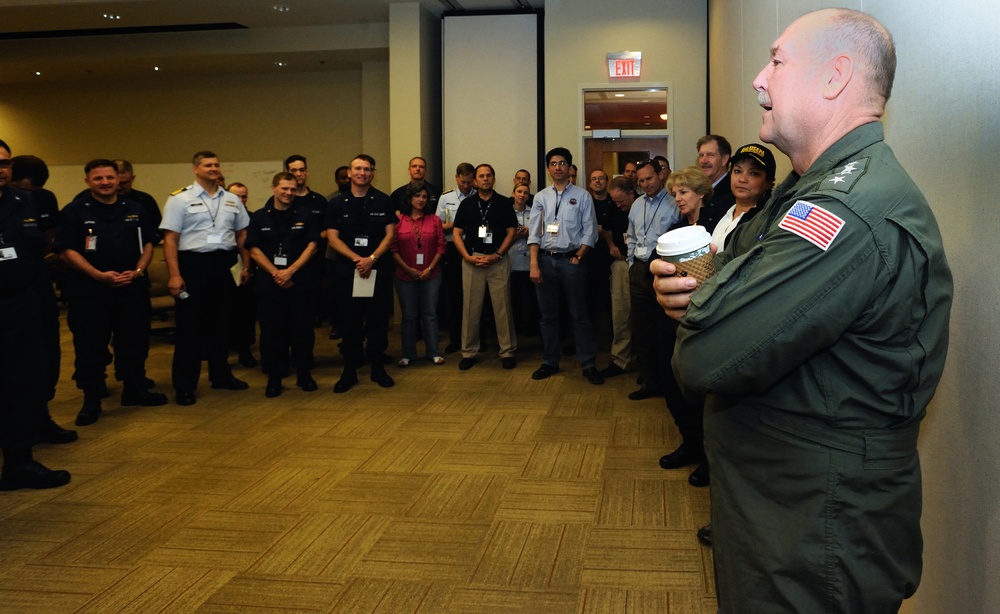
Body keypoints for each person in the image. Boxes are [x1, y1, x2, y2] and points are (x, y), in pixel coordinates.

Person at [652, 9, 952, 612]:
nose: (760, 79)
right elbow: (729, 265)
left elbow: (705, 355)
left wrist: (702, 311)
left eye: (778, 61)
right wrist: (704, 296)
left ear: (835, 76)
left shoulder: (847, 211)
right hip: (785, 509)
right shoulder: (805, 188)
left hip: (816, 530)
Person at [54, 159, 168, 425]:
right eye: (98, 179)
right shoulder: (74, 211)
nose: (105, 183)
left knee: (135, 342)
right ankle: (91, 400)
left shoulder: (135, 208)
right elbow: (65, 250)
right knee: (90, 347)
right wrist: (97, 275)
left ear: (119, 179)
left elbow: (149, 243)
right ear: (87, 182)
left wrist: (139, 271)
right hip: (90, 291)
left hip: (131, 288)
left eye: (109, 177)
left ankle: (134, 389)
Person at [0, 139, 72, 491]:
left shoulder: (23, 200)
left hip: (21, 302)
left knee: (23, 380)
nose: (0, 169)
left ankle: (18, 461)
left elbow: (38, 246)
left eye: (4, 163)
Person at [159, 151, 252, 406]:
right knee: (190, 328)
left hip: (225, 265)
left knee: (222, 324)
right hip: (193, 266)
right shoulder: (180, 199)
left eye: (216, 165)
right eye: (208, 165)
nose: (214, 168)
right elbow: (170, 239)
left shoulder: (232, 199)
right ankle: (185, 386)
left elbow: (242, 234)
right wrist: (175, 275)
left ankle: (221, 375)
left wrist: (245, 266)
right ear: (195, 169)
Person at [656, 166, 716, 487]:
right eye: (674, 194)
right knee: (671, 383)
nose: (678, 198)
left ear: (701, 193)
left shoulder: (715, 226)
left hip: (701, 323)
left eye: (683, 192)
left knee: (697, 392)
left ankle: (708, 458)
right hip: (671, 320)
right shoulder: (679, 227)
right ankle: (690, 443)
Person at [527, 148, 603, 385]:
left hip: (572, 262)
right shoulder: (540, 197)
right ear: (548, 168)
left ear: (570, 168)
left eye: (562, 163)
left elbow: (590, 231)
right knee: (548, 316)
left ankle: (588, 364)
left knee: (579, 315)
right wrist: (534, 264)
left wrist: (579, 257)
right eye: (553, 163)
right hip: (545, 261)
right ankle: (550, 361)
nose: (558, 167)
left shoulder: (582, 196)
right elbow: (534, 233)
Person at [245, 172, 322, 398]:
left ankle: (303, 373)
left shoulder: (306, 215)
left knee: (303, 330)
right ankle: (274, 377)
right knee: (271, 332)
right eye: (284, 189)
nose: (289, 193)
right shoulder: (260, 217)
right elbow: (254, 249)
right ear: (274, 189)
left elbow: (313, 245)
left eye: (293, 189)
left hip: (300, 282)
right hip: (270, 284)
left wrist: (290, 271)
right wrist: (276, 273)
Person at [326, 154, 396, 392]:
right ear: (349, 172)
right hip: (348, 271)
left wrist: (372, 259)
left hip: (377, 270)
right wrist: (357, 259)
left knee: (377, 321)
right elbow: (332, 238)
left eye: (367, 169)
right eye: (358, 168)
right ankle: (349, 371)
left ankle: (378, 367)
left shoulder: (383, 201)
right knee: (349, 323)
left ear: (372, 173)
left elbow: (390, 234)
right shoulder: (336, 203)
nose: (362, 173)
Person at [452, 163, 517, 371]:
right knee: (471, 308)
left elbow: (511, 231)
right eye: (481, 176)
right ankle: (469, 352)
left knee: (503, 308)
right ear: (475, 180)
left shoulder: (504, 203)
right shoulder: (467, 204)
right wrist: (467, 257)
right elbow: (456, 233)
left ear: (494, 178)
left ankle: (507, 351)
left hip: (497, 260)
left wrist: (498, 254)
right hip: (473, 260)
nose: (485, 179)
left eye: (489, 175)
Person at [627, 158, 680, 400]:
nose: (646, 184)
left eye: (649, 178)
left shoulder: (674, 201)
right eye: (641, 181)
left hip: (664, 271)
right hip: (639, 270)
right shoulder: (637, 204)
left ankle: (669, 381)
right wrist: (631, 265)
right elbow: (631, 236)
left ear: (660, 175)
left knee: (664, 329)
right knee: (642, 328)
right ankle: (649, 381)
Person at [391, 182, 446, 366]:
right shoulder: (399, 221)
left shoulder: (435, 220)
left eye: (424, 196)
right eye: (417, 196)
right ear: (409, 199)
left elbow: (441, 247)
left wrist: (429, 268)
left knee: (430, 313)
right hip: (404, 275)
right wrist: (408, 269)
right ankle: (408, 354)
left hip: (432, 274)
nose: (421, 200)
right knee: (409, 316)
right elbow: (393, 249)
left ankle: (434, 352)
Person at [435, 162, 476, 353]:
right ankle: (455, 340)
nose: (466, 186)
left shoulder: (479, 196)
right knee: (455, 296)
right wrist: (458, 225)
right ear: (457, 178)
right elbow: (438, 226)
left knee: (475, 295)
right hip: (452, 248)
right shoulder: (446, 198)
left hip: (474, 246)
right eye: (463, 182)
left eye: (469, 182)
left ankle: (477, 339)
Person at [597, 176, 635, 379]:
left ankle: (645, 361)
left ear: (632, 193)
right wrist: (612, 247)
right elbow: (607, 229)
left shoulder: (642, 206)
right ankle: (621, 359)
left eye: (622, 201)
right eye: (615, 201)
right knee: (620, 313)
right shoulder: (613, 207)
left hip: (642, 265)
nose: (619, 205)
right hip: (620, 265)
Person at [710, 143, 776, 250]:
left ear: (768, 182)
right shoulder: (720, 211)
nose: (742, 179)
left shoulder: (766, 222)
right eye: (737, 171)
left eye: (753, 173)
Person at [508, 183, 537, 336]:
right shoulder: (506, 213)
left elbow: (539, 234)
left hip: (529, 263)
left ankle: (532, 330)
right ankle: (515, 330)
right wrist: (516, 235)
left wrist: (529, 233)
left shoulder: (534, 212)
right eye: (519, 191)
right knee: (514, 299)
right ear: (513, 193)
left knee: (532, 299)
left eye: (526, 193)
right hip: (512, 262)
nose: (522, 195)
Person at [696, 135, 735, 224]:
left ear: (724, 159)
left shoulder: (733, 190)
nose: (704, 161)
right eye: (701, 155)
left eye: (710, 155)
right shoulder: (698, 189)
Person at [666, 166, 716, 234]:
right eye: (674, 195)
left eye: (683, 192)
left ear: (700, 192)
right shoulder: (674, 231)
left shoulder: (717, 225)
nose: (677, 199)